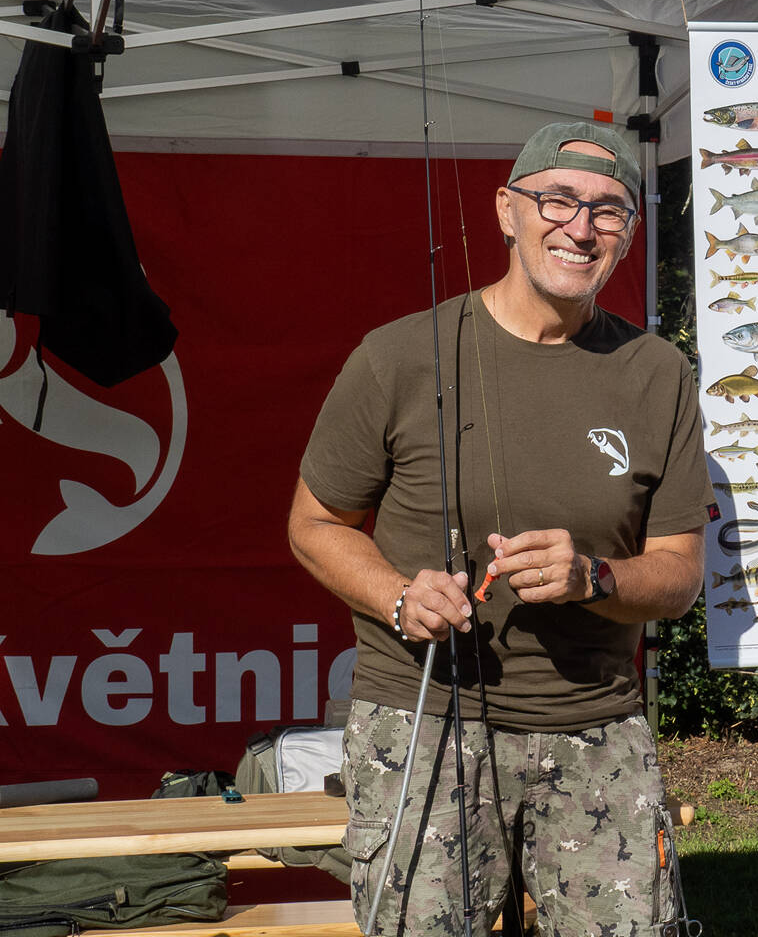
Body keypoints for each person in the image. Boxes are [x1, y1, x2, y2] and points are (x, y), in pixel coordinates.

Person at [287, 121, 711, 937]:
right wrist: (399, 596)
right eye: (557, 200)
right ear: (505, 211)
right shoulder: (398, 357)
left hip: (594, 727)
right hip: (424, 722)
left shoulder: (657, 374)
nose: (580, 228)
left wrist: (594, 577)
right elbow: (313, 522)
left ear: (628, 234)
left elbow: (678, 574)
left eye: (609, 211)